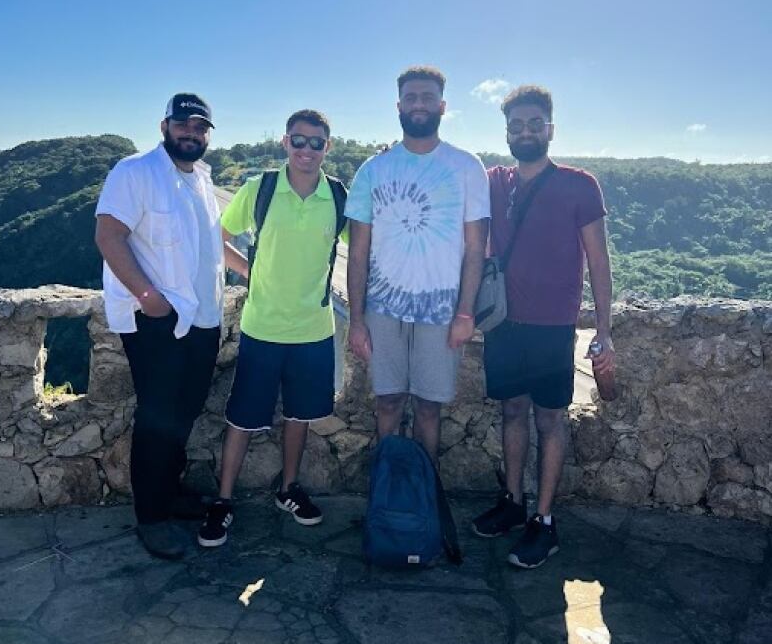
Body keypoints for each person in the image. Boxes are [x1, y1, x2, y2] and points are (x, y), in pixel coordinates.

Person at [472, 85, 616, 568]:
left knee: (549, 419)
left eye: (535, 124)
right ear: (507, 132)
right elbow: (450, 179)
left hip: (555, 325)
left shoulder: (579, 184)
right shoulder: (494, 180)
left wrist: (605, 328)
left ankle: (545, 521)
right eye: (517, 125)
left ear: (550, 129)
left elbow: (598, 260)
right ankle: (513, 503)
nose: (526, 132)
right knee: (512, 412)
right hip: (503, 322)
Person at [198, 110, 346, 547]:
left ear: (327, 147)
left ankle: (289, 489)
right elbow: (217, 236)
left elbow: (366, 245)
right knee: (243, 417)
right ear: (285, 143)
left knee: (299, 415)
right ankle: (223, 500)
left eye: (315, 142)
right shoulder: (259, 189)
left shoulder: (337, 197)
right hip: (262, 326)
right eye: (298, 141)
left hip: (314, 329)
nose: (306, 150)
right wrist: (250, 271)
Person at [95, 93, 223, 560]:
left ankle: (169, 494)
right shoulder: (136, 172)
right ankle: (151, 518)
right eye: (183, 123)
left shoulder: (203, 180)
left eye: (200, 126)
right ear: (164, 125)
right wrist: (149, 299)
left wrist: (255, 272)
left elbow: (212, 247)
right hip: (158, 321)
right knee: (156, 417)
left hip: (203, 319)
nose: (191, 132)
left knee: (184, 412)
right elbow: (108, 235)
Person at [346, 65, 489, 461]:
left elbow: (476, 247)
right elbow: (358, 252)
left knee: (429, 407)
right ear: (398, 105)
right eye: (411, 97)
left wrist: (465, 312)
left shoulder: (467, 167)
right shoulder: (373, 170)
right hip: (382, 310)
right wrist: (356, 320)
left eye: (427, 97)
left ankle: (426, 492)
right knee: (388, 402)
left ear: (442, 106)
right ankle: (387, 487)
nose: (419, 104)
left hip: (441, 311)